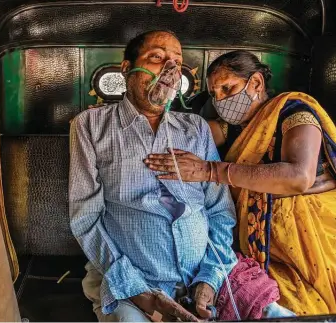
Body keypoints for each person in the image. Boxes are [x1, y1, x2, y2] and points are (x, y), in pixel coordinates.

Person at [144, 50, 336, 316]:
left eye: (227, 88)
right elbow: (190, 133)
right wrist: (148, 113)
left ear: (256, 83)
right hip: (260, 240)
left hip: (310, 235)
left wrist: (210, 171)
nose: (221, 99)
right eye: (215, 94)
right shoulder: (233, 126)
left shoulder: (294, 111)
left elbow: (299, 177)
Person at [69, 30, 239, 322]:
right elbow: (86, 218)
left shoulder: (196, 129)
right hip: (129, 284)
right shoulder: (91, 126)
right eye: (158, 58)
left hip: (202, 278)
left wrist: (209, 279)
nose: (170, 70)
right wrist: (142, 295)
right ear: (127, 69)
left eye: (177, 62)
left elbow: (220, 212)